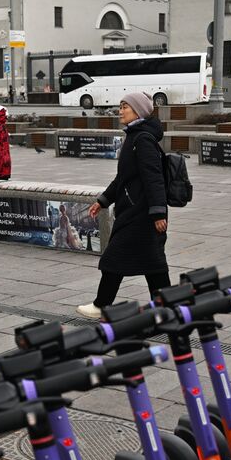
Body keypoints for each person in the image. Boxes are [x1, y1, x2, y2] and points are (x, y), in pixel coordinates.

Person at [76, 91, 169, 319]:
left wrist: (158, 212)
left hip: (141, 213)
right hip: (135, 209)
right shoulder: (135, 137)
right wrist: (103, 200)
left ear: (138, 110)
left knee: (114, 259)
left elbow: (154, 177)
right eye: (120, 105)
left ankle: (102, 305)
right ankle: (167, 307)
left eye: (125, 106)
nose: (121, 110)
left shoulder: (142, 139)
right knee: (153, 265)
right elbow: (123, 178)